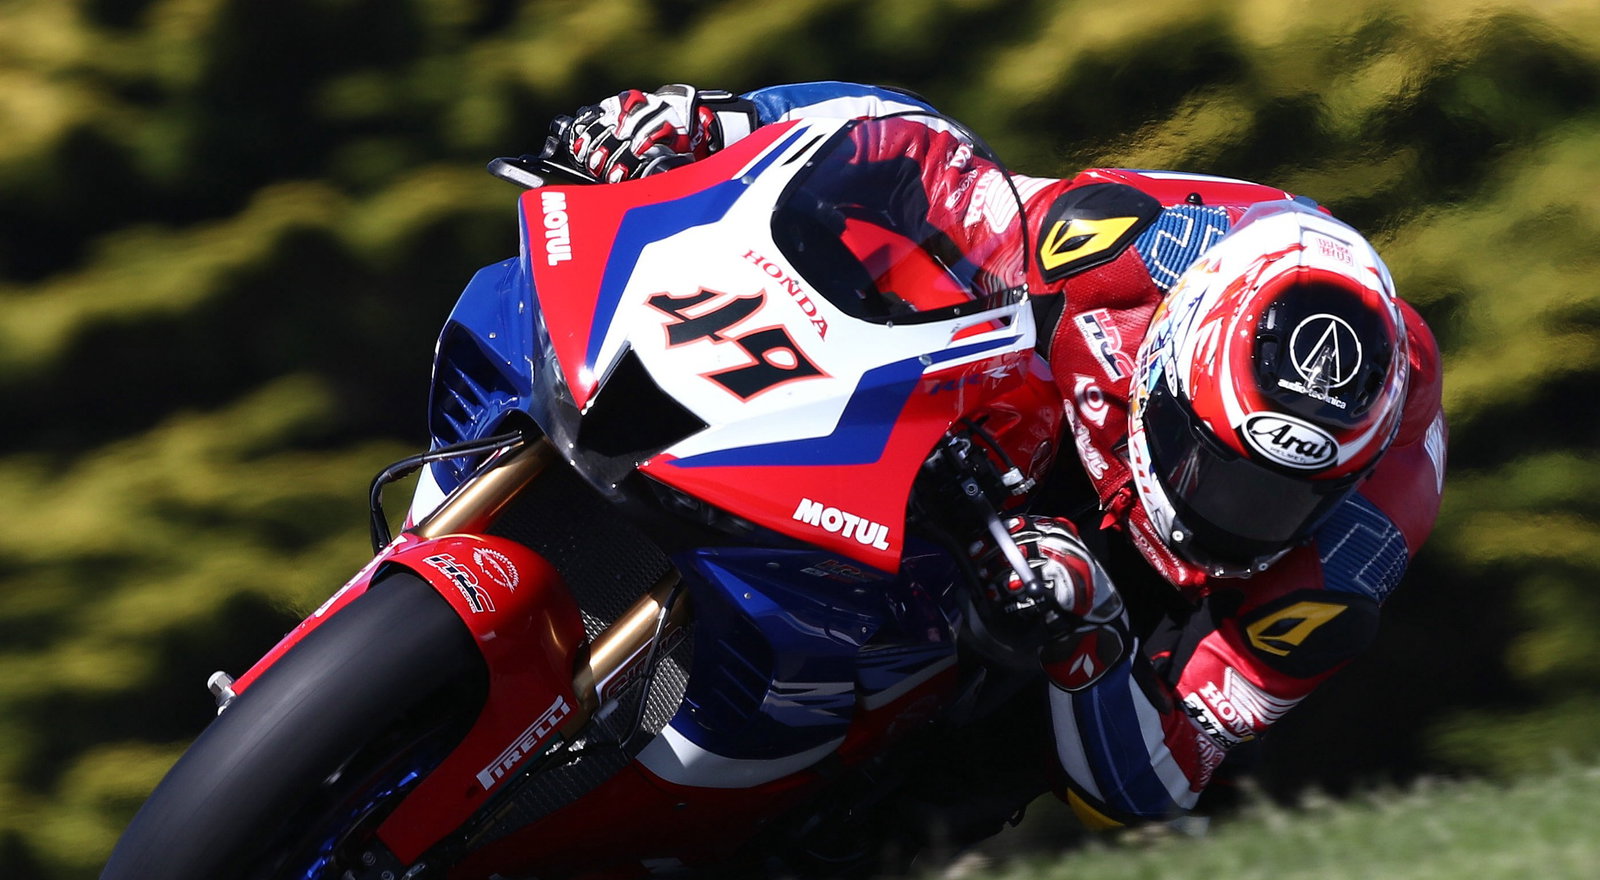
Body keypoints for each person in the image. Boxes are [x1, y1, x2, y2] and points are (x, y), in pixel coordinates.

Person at [551, 82, 1448, 831]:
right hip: (1037, 414)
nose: (1217, 509)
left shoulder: (1357, 547)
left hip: (1112, 597)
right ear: (1167, 367)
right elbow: (914, 162)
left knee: (978, 762)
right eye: (1209, 465)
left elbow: (1158, 790)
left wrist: (1091, 635)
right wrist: (712, 124)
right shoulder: (1123, 243)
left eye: (1271, 500)